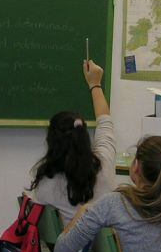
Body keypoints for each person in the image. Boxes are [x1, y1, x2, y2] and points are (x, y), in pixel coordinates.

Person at [28, 60, 115, 225]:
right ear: (84, 136)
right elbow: (105, 121)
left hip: (66, 249)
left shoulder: (47, 183)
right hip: (104, 249)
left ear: (51, 142)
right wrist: (95, 84)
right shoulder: (105, 163)